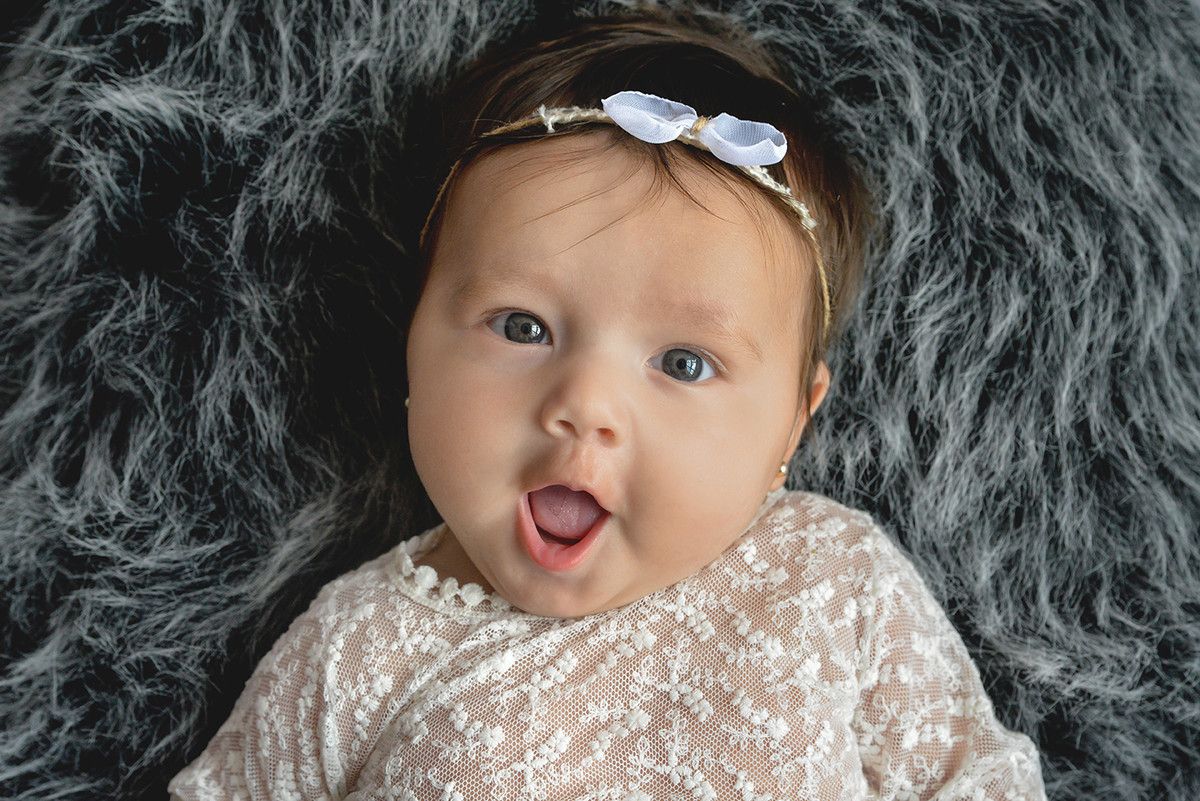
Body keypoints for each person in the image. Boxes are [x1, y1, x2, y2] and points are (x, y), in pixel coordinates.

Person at [169, 8, 1046, 800]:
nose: (585, 405)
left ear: (793, 418)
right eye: (521, 326)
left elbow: (975, 779)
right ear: (412, 343)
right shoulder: (354, 651)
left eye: (684, 362)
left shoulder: (831, 576)